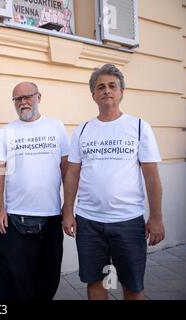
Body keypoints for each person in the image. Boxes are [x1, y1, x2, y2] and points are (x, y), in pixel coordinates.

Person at [62, 64, 165, 300]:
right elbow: (72, 174)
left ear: (121, 92)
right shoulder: (83, 130)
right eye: (101, 87)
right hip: (89, 222)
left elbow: (151, 175)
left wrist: (157, 217)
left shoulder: (139, 127)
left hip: (128, 221)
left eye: (112, 86)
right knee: (95, 281)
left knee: (133, 285)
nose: (106, 90)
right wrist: (68, 212)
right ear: (93, 95)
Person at [0, 81, 69, 299]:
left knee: (47, 279)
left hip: (51, 216)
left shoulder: (56, 127)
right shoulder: (6, 131)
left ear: (39, 97)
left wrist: (69, 207)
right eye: (18, 99)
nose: (23, 102)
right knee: (13, 282)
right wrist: (0, 209)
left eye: (27, 97)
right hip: (16, 218)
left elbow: (67, 168)